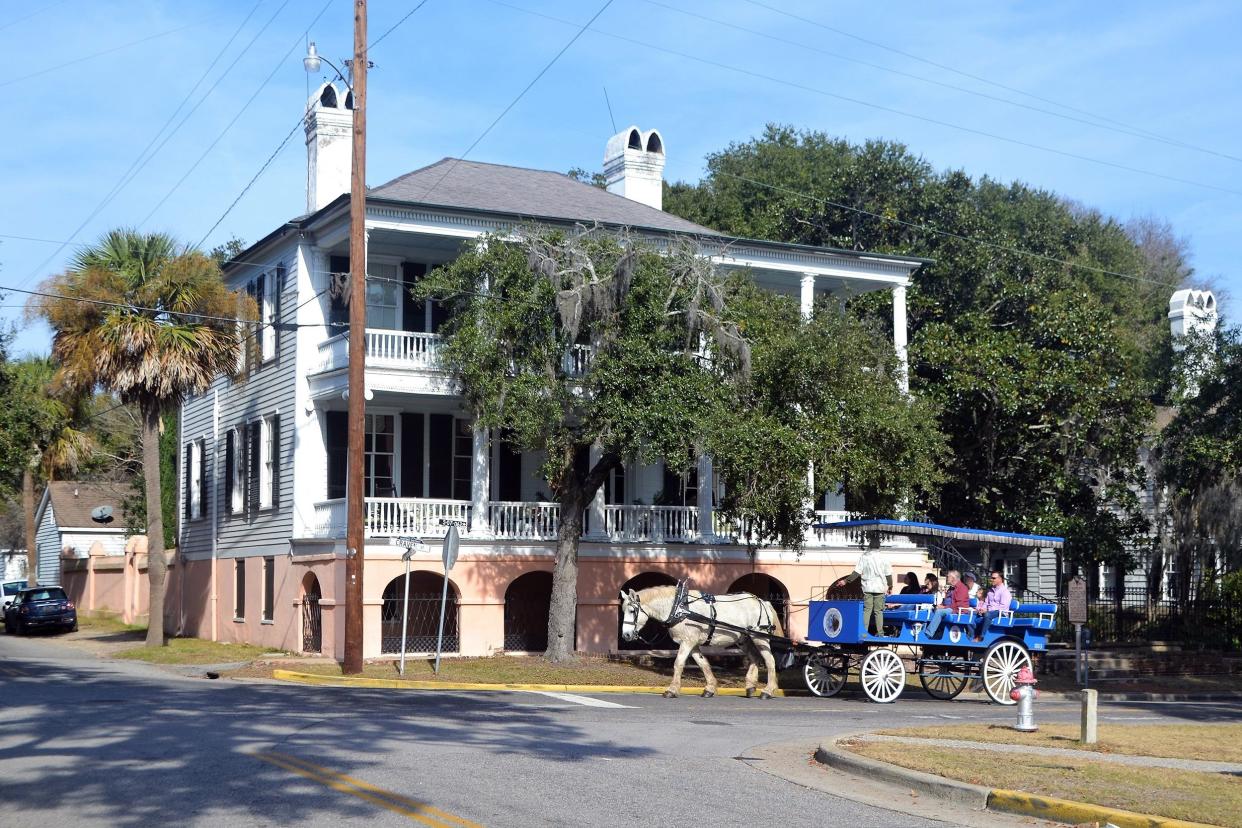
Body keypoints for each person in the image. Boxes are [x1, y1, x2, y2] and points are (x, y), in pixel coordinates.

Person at [834, 544, 892, 637]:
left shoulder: (864, 557)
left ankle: (864, 632)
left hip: (868, 587)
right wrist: (890, 586)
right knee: (878, 611)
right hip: (880, 588)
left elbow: (857, 572)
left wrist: (845, 581)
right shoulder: (884, 558)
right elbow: (888, 574)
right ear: (878, 547)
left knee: (867, 610)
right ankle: (880, 633)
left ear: (869, 547)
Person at [922, 570, 970, 640]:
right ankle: (931, 631)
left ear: (953, 578)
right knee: (931, 610)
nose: (947, 578)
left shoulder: (962, 588)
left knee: (940, 612)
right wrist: (940, 605)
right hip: (950, 608)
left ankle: (928, 634)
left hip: (958, 610)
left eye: (948, 577)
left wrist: (944, 607)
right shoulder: (951, 588)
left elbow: (959, 604)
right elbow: (946, 601)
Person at [973, 570, 1013, 642]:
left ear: (1000, 579)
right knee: (972, 614)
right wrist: (982, 609)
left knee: (987, 614)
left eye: (993, 578)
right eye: (991, 578)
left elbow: (1003, 607)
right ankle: (971, 635)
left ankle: (981, 637)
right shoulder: (990, 591)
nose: (991, 579)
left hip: (1001, 613)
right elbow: (986, 603)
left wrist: (988, 610)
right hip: (990, 612)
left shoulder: (1005, 592)